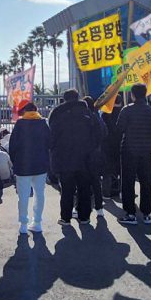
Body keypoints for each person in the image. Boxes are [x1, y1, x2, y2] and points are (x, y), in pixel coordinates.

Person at [49, 89, 98, 226]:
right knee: (84, 189)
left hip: (64, 158)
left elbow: (51, 138)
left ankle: (65, 218)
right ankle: (84, 217)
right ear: (77, 98)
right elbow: (100, 132)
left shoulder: (57, 115)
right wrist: (91, 148)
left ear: (65, 99)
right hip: (85, 158)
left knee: (67, 189)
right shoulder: (88, 113)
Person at [117, 83, 151, 225]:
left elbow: (119, 129)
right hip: (146, 150)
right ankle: (147, 213)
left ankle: (130, 213)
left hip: (129, 149)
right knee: (146, 182)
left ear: (132, 94)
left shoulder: (127, 110)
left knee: (128, 182)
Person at [8, 101, 51, 234]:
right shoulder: (43, 123)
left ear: (24, 111)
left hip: (23, 166)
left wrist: (15, 162)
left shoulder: (20, 124)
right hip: (40, 165)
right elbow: (50, 143)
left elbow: (12, 146)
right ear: (36, 110)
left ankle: (23, 225)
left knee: (23, 196)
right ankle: (37, 222)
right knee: (40, 194)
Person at [83, 96, 107, 217]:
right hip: (97, 154)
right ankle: (99, 208)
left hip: (84, 154)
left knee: (83, 184)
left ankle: (82, 209)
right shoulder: (97, 117)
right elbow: (105, 132)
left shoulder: (83, 118)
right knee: (96, 182)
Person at [100, 96, 123, 198]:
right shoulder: (123, 113)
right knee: (122, 170)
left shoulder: (105, 114)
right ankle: (121, 191)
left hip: (107, 145)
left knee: (107, 171)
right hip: (121, 145)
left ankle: (106, 193)